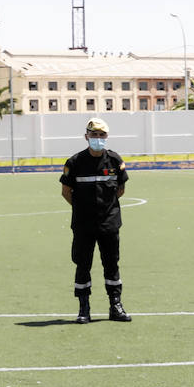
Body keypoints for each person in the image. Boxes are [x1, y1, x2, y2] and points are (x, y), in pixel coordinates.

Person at [60, 117, 131, 324]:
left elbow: (120, 189)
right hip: (83, 225)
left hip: (109, 223)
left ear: (106, 137)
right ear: (86, 137)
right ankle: (84, 308)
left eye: (101, 135)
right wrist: (84, 210)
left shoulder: (116, 161)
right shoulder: (74, 163)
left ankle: (115, 306)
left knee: (111, 264)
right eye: (94, 135)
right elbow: (66, 192)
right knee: (83, 264)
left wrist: (105, 210)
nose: (97, 139)